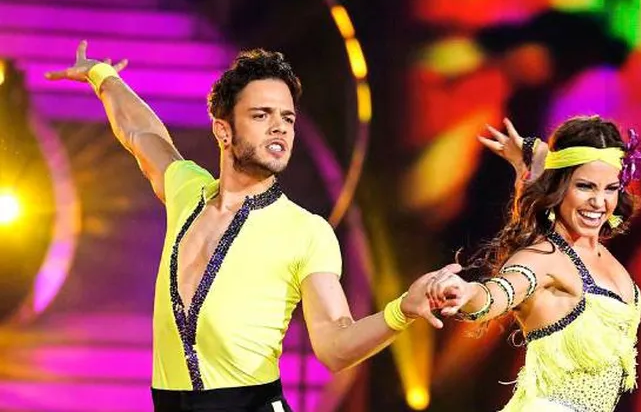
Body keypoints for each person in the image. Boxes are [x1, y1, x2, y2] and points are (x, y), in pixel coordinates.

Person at [45, 41, 460, 412]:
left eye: (288, 118)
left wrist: (402, 310)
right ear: (223, 131)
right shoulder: (187, 190)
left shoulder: (306, 231)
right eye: (262, 115)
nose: (280, 127)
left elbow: (335, 345)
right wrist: (103, 77)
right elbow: (141, 132)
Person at [427, 116, 641, 411]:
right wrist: (467, 293)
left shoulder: (602, 256)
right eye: (585, 187)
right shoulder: (543, 257)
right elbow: (495, 295)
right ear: (559, 187)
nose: (599, 202)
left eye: (609, 188)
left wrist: (539, 155)